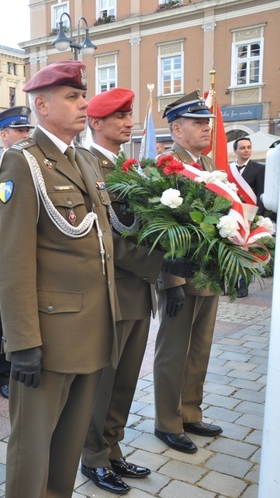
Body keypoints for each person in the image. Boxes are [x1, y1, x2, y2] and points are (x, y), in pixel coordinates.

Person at [0, 60, 118, 498]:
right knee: (33, 447)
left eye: (82, 96)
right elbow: (10, 258)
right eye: (73, 97)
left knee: (67, 446)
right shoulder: (21, 162)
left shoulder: (82, 159)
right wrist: (22, 340)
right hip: (49, 334)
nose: (84, 105)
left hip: (90, 330)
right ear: (41, 106)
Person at [81, 88, 166, 494]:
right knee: (103, 381)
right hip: (110, 292)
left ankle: (112, 448)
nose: (128, 122)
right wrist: (161, 265)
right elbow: (104, 238)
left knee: (127, 378)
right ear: (96, 123)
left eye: (129, 115)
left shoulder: (130, 168)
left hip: (138, 291)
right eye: (119, 116)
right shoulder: (88, 166)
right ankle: (92, 457)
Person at [154, 90, 223, 454]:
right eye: (198, 123)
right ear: (177, 130)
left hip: (207, 274)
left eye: (207, 122)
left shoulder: (210, 166)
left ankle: (190, 411)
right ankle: (167, 421)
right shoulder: (166, 166)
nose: (206, 128)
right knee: (173, 350)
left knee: (200, 347)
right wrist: (171, 282)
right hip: (180, 275)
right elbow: (160, 230)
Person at [0, 106, 33, 399]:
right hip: (6, 253)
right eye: (20, 131)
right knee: (1, 316)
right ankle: (0, 374)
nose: (26, 135)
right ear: (4, 135)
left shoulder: (34, 162)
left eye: (28, 130)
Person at [232, 136, 265, 297]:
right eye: (243, 147)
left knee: (247, 251)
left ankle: (243, 284)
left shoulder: (259, 168)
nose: (246, 150)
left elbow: (261, 194)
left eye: (249, 147)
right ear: (235, 151)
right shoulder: (228, 169)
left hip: (251, 216)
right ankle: (231, 284)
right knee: (232, 249)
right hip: (233, 216)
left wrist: (258, 217)